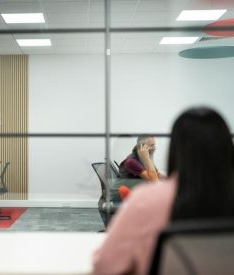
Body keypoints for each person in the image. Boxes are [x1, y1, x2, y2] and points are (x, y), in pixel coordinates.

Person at [93, 107, 234, 275]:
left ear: (176, 150)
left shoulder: (144, 201)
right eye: (149, 147)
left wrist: (165, 175)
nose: (153, 149)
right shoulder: (133, 162)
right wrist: (147, 159)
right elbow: (153, 180)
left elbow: (104, 266)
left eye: (154, 146)